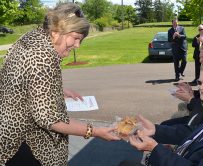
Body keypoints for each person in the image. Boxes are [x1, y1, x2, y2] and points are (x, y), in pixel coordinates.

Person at [0, 3, 120, 165]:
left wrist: (56, 90)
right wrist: (95, 131)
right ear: (56, 33)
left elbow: (23, 79)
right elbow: (50, 120)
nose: (77, 45)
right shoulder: (43, 58)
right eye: (76, 38)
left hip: (8, 134)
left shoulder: (32, 38)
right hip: (23, 144)